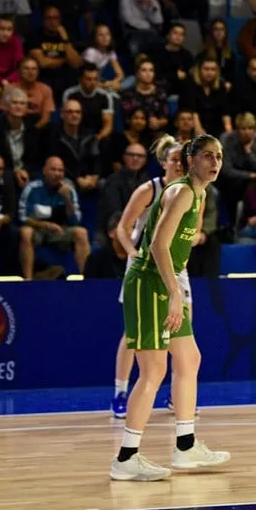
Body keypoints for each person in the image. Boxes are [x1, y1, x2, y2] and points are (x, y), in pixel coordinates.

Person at [112, 134, 230, 481]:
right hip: (150, 281)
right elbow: (160, 246)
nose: (215, 162)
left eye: (219, 156)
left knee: (190, 359)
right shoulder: (181, 192)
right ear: (190, 160)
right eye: (208, 156)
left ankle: (186, 446)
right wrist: (175, 294)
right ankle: (126, 457)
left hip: (166, 280)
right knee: (152, 372)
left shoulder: (201, 193)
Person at [110, 135, 183, 419]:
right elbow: (122, 227)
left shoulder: (191, 192)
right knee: (133, 333)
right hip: (143, 266)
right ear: (164, 163)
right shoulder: (149, 190)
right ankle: (120, 391)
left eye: (182, 160)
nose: (178, 165)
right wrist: (131, 252)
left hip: (175, 267)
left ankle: (177, 395)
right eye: (173, 160)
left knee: (179, 328)